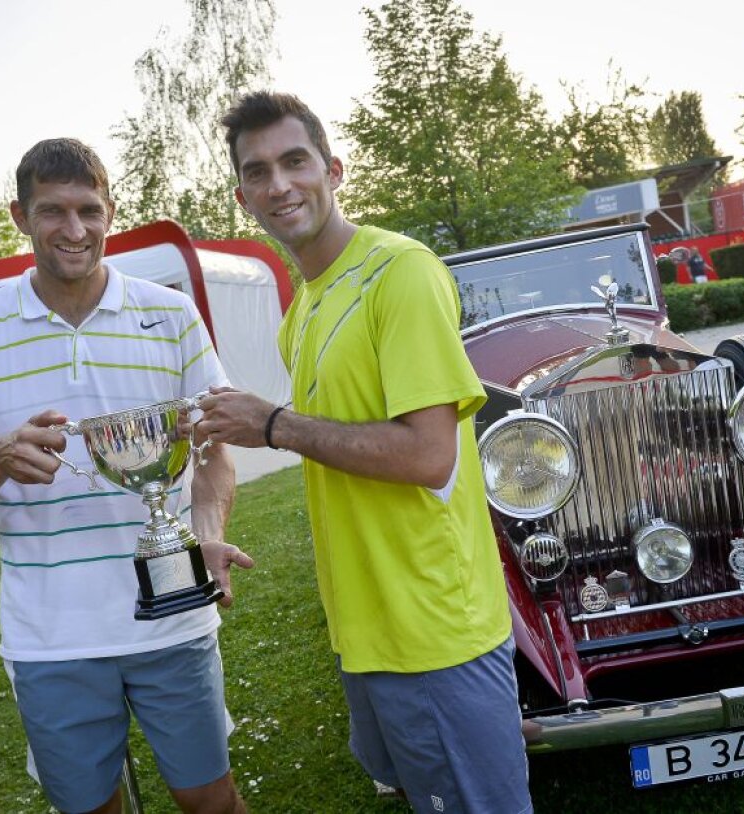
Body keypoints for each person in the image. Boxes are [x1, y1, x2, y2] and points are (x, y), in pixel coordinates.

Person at [197, 92, 532, 814]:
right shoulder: (303, 308)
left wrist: (276, 425)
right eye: (259, 172)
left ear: (334, 169)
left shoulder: (399, 273)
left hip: (434, 633)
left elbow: (428, 456)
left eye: (295, 161)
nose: (280, 184)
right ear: (243, 197)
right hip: (367, 629)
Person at [0, 138, 253, 814]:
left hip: (172, 619)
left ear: (111, 212)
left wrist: (207, 532)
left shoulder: (169, 313)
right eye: (53, 212)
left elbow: (215, 448)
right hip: (52, 636)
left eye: (89, 211)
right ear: (19, 215)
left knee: (211, 801)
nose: (74, 231)